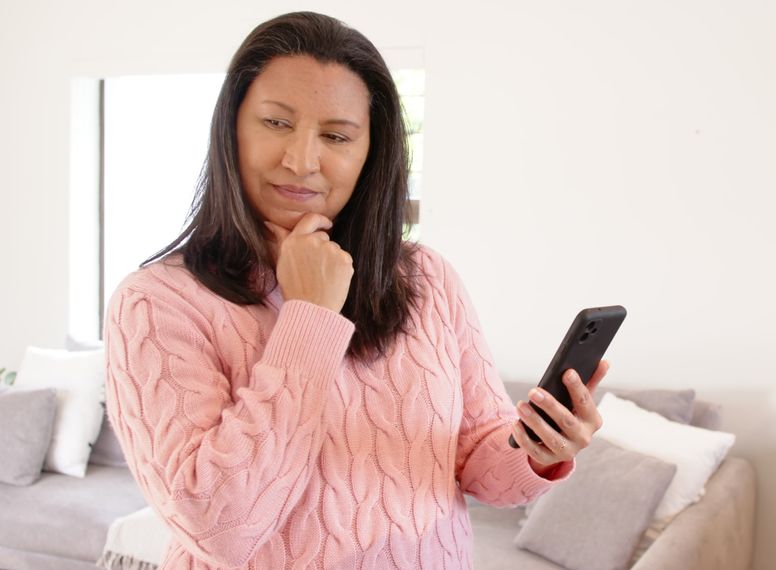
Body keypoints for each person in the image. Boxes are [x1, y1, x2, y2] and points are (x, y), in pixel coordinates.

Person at [103, 11, 609, 569]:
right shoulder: (156, 302)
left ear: (373, 154)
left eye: (337, 135)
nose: (300, 160)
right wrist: (309, 318)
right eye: (275, 123)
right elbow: (220, 528)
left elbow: (478, 466)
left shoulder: (428, 279)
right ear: (231, 128)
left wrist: (535, 452)